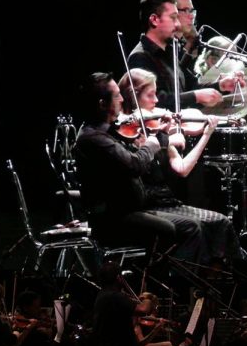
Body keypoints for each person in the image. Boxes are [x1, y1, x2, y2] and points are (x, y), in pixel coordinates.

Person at [117, 67, 242, 266]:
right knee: (196, 227)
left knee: (221, 222)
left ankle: (224, 279)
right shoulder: (123, 133)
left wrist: (206, 135)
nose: (157, 101)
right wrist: (157, 139)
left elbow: (183, 168)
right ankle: (186, 284)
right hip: (146, 205)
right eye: (151, 95)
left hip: (168, 201)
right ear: (133, 96)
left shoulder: (157, 128)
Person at [73, 71, 175, 251]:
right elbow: (134, 165)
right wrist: (151, 144)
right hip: (113, 217)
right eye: (118, 95)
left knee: (187, 226)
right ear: (102, 104)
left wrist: (159, 134)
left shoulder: (107, 132)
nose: (122, 99)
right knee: (168, 229)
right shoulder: (95, 139)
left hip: (129, 210)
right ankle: (149, 276)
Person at [128, 0, 244, 110]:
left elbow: (192, 86)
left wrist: (221, 85)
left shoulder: (169, 53)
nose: (178, 24)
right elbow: (155, 101)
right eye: (173, 18)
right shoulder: (140, 56)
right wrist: (196, 96)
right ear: (154, 20)